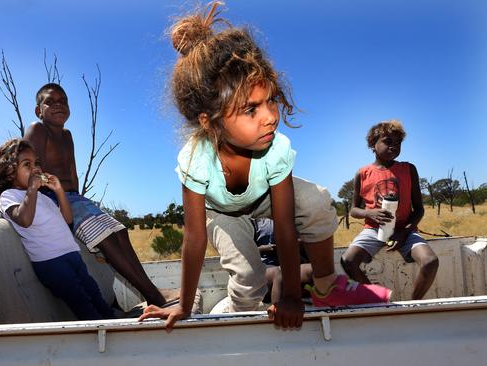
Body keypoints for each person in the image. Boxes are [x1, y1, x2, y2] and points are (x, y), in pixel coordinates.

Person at [138, 2, 391, 331]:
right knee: (249, 281)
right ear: (209, 122)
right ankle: (230, 308)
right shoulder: (195, 160)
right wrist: (183, 307)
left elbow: (285, 227)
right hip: (221, 211)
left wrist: (290, 296)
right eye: (251, 109)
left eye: (270, 99)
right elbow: (195, 237)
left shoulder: (275, 148)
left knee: (316, 200)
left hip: (263, 198)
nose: (271, 115)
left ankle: (327, 287)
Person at [24, 83, 175, 307]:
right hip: (53, 197)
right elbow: (31, 169)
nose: (58, 105)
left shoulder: (67, 136)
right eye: (50, 101)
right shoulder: (37, 129)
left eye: (63, 101)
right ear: (39, 110)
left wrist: (80, 198)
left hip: (75, 197)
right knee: (104, 237)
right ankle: (154, 296)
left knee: (120, 232)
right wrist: (58, 202)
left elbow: (73, 175)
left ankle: (149, 290)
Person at [0, 138, 114, 320]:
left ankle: (114, 324)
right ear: (9, 172)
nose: (35, 169)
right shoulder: (9, 196)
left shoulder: (43, 197)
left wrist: (59, 190)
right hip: (51, 263)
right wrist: (31, 188)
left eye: (36, 163)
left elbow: (67, 220)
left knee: (94, 293)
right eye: (27, 164)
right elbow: (24, 219)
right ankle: (101, 336)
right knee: (81, 302)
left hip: (72, 255)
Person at [340, 120, 439, 300]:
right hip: (373, 229)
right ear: (372, 144)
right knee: (347, 261)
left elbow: (418, 210)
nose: (394, 146)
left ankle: (414, 303)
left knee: (430, 262)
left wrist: (404, 233)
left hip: (405, 230)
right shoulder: (362, 173)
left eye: (398, 143)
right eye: (387, 141)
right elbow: (354, 210)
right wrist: (370, 213)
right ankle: (376, 299)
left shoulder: (408, 169)